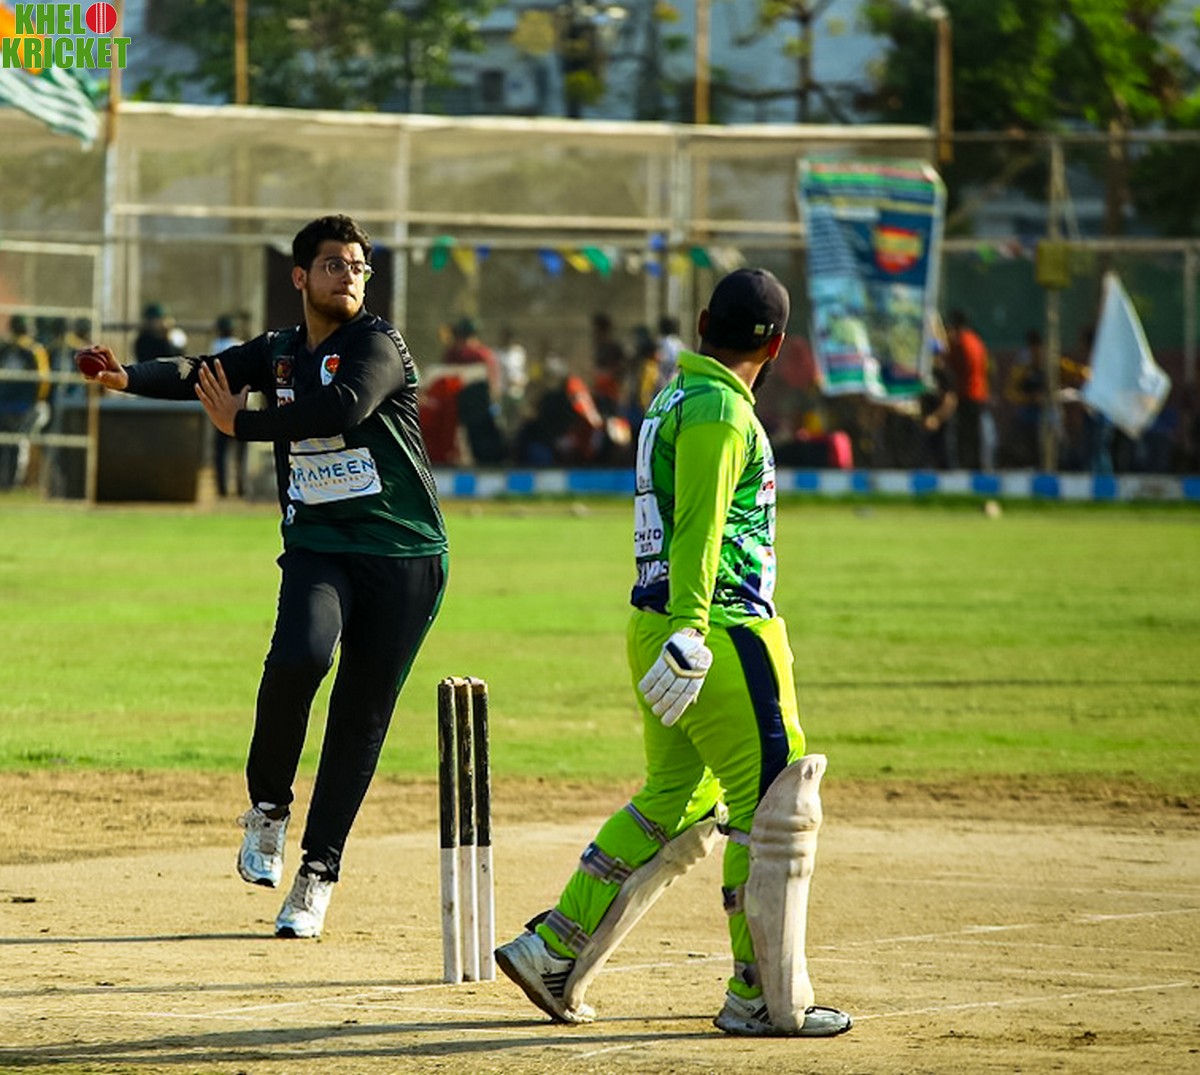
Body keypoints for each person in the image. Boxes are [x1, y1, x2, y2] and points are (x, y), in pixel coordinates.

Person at [494, 268, 852, 1039]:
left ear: (700, 324)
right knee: (774, 807)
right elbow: (700, 524)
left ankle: (554, 949)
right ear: (778, 348)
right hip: (717, 630)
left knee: (675, 801)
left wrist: (679, 629)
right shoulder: (721, 407)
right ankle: (763, 995)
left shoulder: (674, 396)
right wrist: (693, 627)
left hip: (659, 627)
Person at [76, 215, 449, 939]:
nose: (349, 276)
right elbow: (206, 374)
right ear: (300, 276)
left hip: (403, 555)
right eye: (334, 264)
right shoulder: (279, 350)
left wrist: (239, 429)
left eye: (358, 266)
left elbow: (341, 407)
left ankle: (318, 874)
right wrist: (127, 377)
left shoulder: (378, 344)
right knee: (298, 658)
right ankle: (269, 809)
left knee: (359, 717)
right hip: (319, 544)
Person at [0, 315, 51, 489]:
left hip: (3, 405)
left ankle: (4, 482)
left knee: (4, 444)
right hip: (24, 405)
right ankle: (12, 483)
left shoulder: (4, 348)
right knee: (18, 443)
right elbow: (43, 381)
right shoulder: (34, 349)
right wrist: (39, 401)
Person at [946, 309, 993, 470]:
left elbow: (954, 365)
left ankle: (967, 464)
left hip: (966, 393)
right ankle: (976, 464)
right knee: (975, 433)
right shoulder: (976, 341)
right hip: (979, 392)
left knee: (965, 433)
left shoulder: (961, 343)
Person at [210, 315, 246, 497]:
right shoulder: (240, 344)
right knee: (241, 451)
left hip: (221, 403)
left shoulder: (216, 346)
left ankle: (222, 488)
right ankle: (241, 486)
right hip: (241, 402)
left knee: (221, 450)